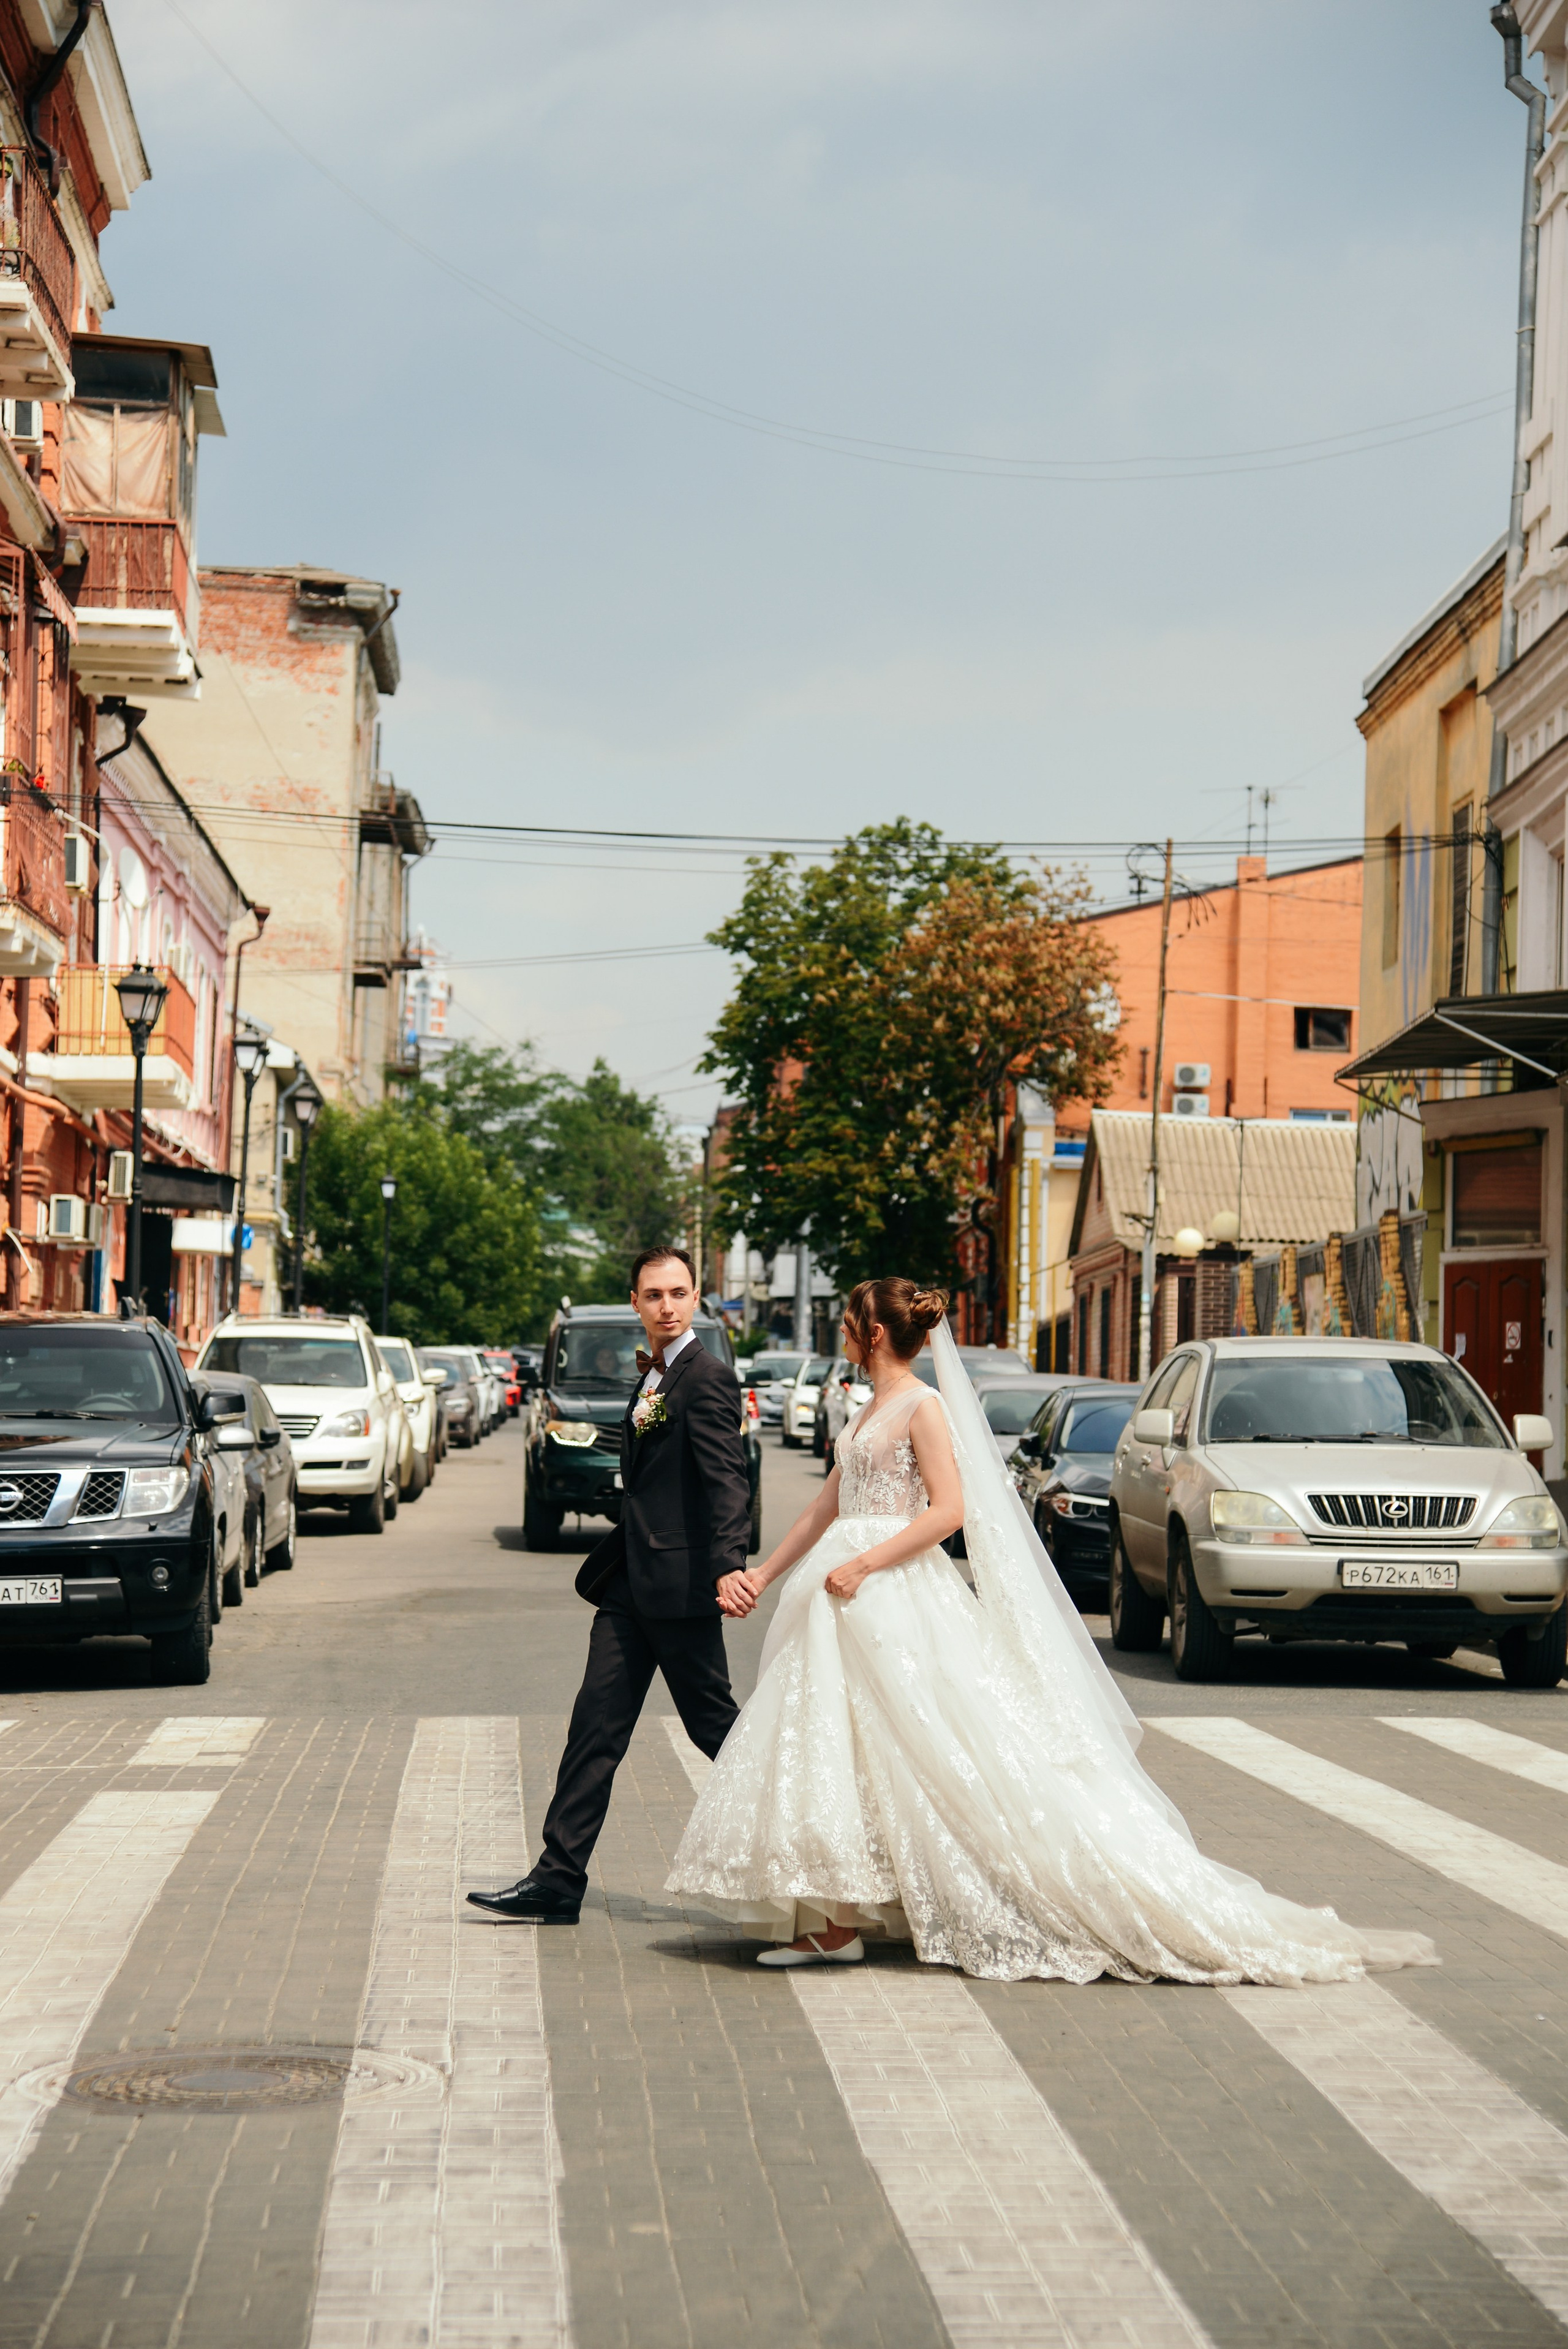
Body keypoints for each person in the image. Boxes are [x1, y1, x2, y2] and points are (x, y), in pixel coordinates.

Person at [666, 1276, 1437, 1983]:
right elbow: (824, 1504)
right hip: (842, 1594)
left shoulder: (921, 1406)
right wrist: (764, 1576)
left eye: (848, 1319)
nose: (841, 1327)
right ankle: (844, 1914)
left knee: (928, 1750)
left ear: (872, 1331)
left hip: (890, 1591)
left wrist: (865, 1564)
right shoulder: (868, 1406)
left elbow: (947, 1510)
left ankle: (845, 1924)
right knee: (847, 1748)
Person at [469, 1245, 755, 1924]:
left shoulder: (705, 1376)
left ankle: (817, 1837)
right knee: (593, 1727)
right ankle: (558, 1877)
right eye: (653, 1294)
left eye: (678, 1293)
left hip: (684, 1588)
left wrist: (728, 1564)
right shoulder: (654, 1376)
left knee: (716, 1729)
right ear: (635, 1302)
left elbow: (727, 1478)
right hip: (630, 1584)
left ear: (697, 1299)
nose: (666, 1305)